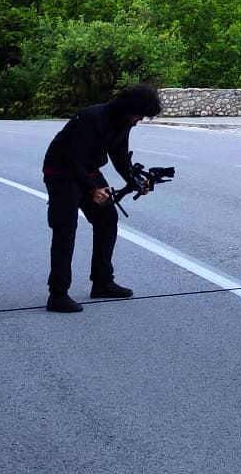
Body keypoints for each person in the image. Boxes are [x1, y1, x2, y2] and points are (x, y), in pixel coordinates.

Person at [41, 82, 161, 313]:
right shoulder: (91, 117)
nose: (140, 120)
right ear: (129, 108)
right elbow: (73, 158)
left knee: (107, 220)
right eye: (140, 115)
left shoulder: (123, 122)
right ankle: (58, 294)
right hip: (61, 171)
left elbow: (120, 157)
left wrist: (135, 182)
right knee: (65, 227)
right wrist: (91, 189)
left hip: (89, 170)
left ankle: (102, 281)